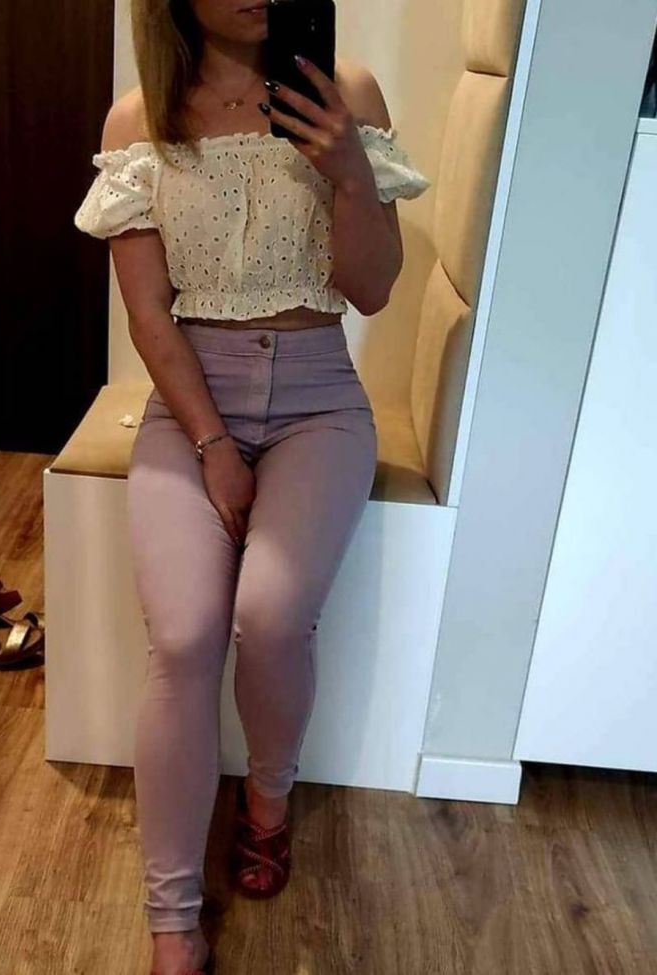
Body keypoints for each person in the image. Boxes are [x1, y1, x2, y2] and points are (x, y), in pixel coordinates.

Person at [74, 2, 430, 972]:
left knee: (270, 618)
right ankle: (171, 920)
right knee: (184, 635)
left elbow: (372, 288)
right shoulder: (140, 119)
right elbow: (150, 315)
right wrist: (211, 442)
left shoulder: (342, 92)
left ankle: (268, 799)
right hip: (192, 400)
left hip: (320, 399)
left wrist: (347, 169)